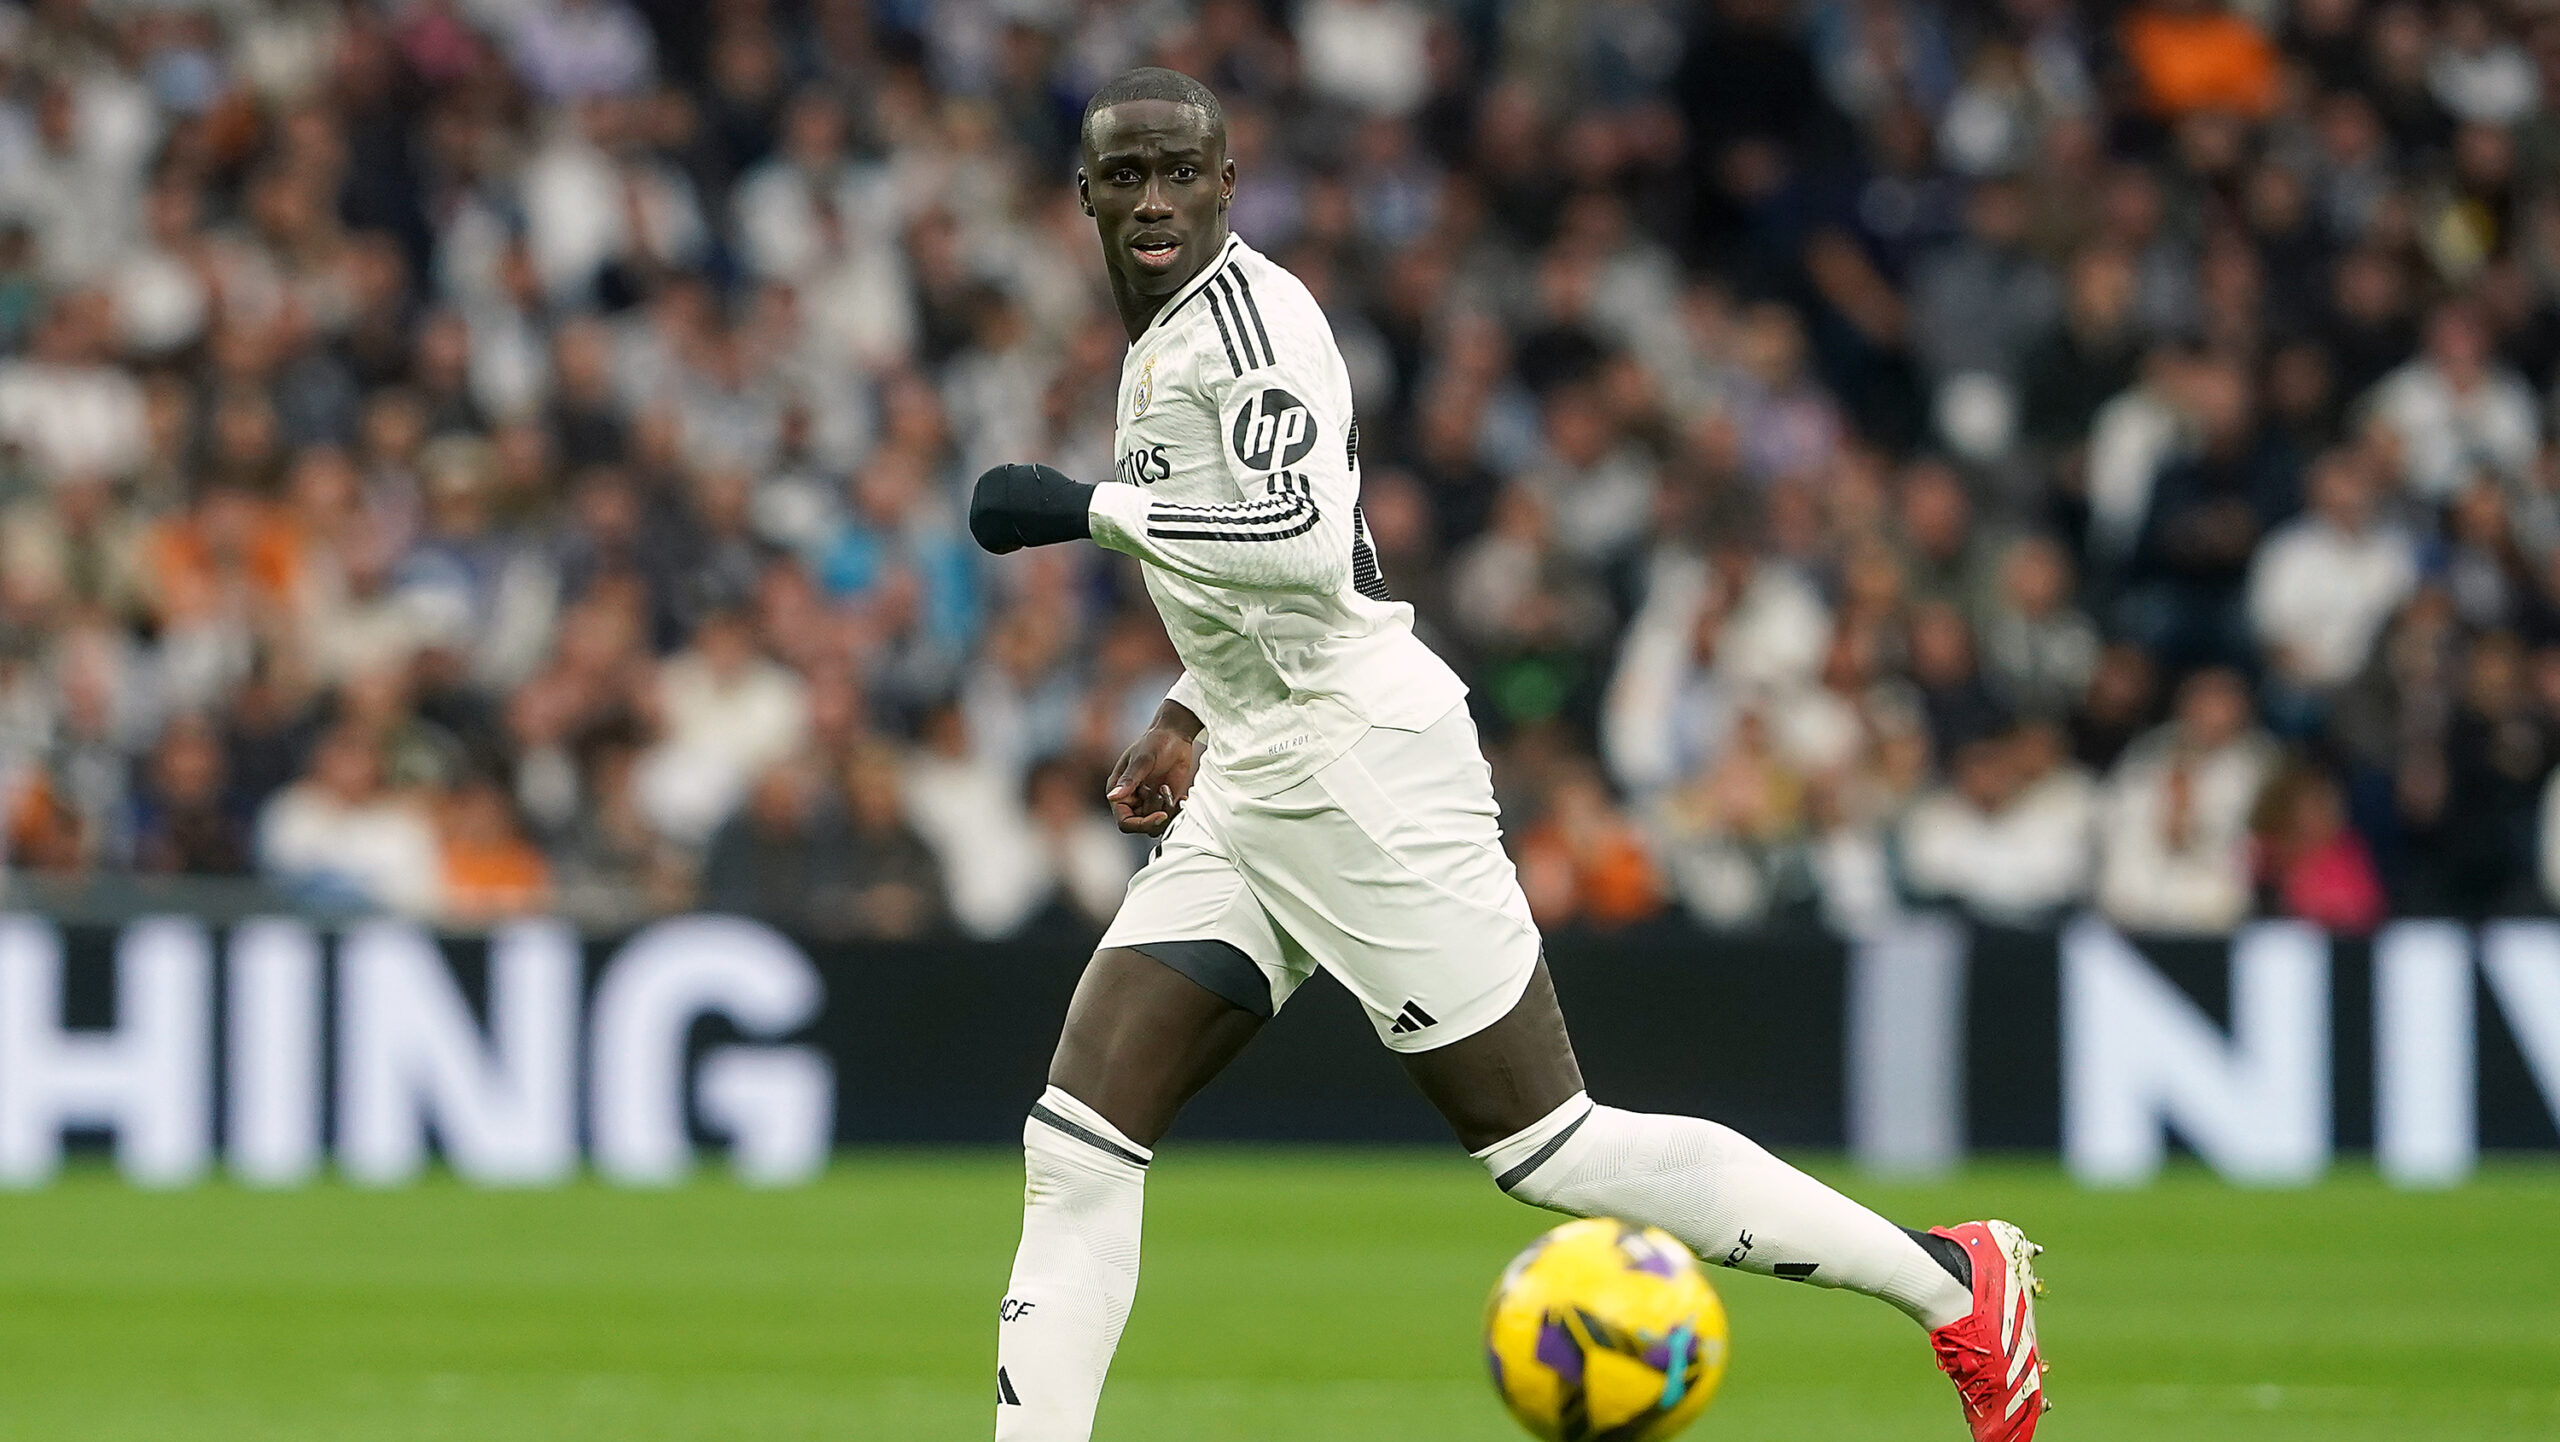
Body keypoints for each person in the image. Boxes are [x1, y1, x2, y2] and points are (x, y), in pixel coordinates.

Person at [963, 69, 2050, 1442]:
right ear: (1085, 197)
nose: (1156, 199)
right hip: (1257, 757)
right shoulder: (1173, 333)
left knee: (1551, 1144)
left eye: (1184, 171)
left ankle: (1954, 1281)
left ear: (1231, 183)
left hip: (1357, 762)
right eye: (1127, 177)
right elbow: (1314, 556)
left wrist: (1083, 508)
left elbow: (1299, 541)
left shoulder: (1247, 323)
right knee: (1077, 1139)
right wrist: (1190, 703)